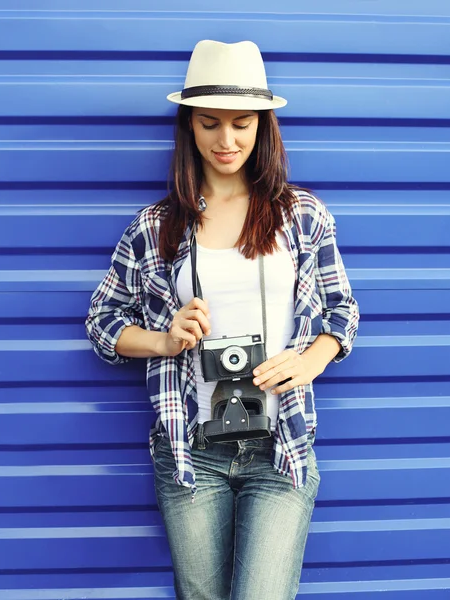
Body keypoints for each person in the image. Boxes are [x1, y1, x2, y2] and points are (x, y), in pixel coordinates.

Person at [86, 39, 359, 600]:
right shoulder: (156, 226)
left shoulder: (301, 216)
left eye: (242, 123)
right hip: (191, 451)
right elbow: (102, 321)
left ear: (264, 126)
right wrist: (164, 340)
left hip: (281, 446)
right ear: (189, 127)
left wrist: (311, 359)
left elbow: (343, 311)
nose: (226, 141)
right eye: (209, 124)